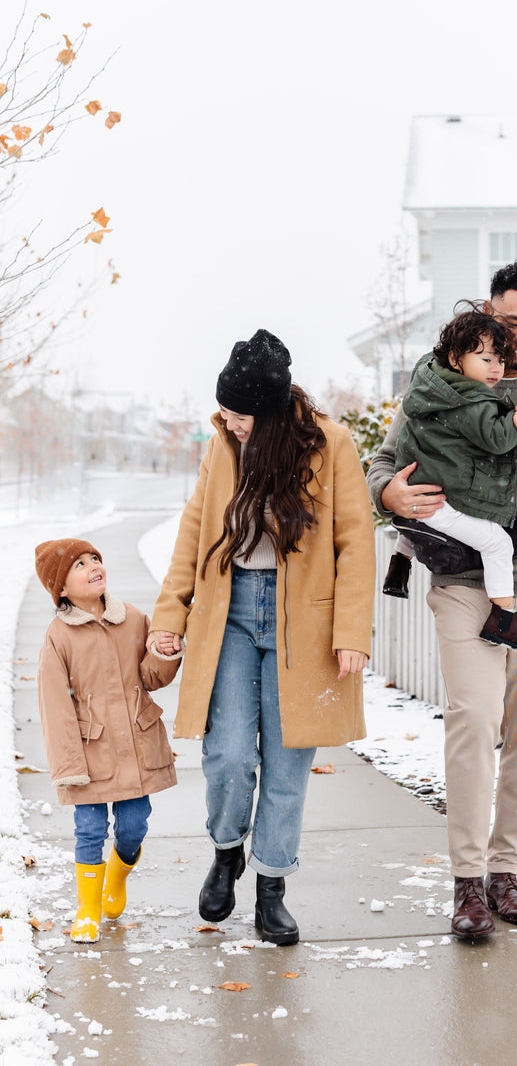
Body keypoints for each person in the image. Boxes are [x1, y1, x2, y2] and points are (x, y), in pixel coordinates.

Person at [367, 262, 517, 939]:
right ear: (486, 312)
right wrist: (385, 494)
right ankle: (467, 884)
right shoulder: (442, 380)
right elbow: (385, 460)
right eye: (510, 324)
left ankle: (507, 875)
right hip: (463, 582)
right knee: (473, 719)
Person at [147, 329, 375, 945]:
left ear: (273, 413)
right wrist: (170, 617)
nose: (229, 422)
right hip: (232, 611)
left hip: (306, 620)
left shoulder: (332, 445)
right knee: (225, 755)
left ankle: (272, 886)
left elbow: (356, 542)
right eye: (225, 410)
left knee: (287, 762)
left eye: (240, 414)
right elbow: (194, 535)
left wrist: (353, 630)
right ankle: (227, 852)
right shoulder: (223, 444)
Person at [382, 306, 517, 655]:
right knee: (497, 544)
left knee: (420, 522)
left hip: (419, 493)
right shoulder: (470, 400)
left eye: (500, 360)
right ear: (457, 359)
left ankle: (398, 568)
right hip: (442, 501)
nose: (496, 368)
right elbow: (498, 438)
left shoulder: (430, 384)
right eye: (486, 358)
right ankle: (504, 620)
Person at [35, 538, 181, 943]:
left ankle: (115, 878)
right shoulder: (58, 637)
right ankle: (88, 906)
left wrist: (166, 653)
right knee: (89, 831)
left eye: (95, 558)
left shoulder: (132, 618)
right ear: (61, 589)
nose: (93, 566)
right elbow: (55, 707)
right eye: (79, 564)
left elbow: (151, 677)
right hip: (89, 753)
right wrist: (68, 768)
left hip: (135, 746)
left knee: (133, 827)